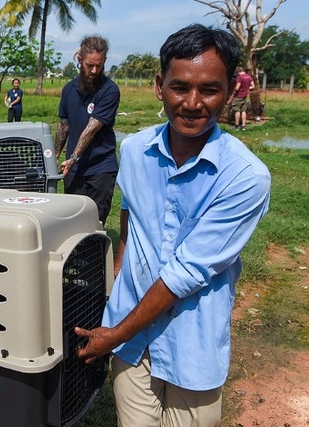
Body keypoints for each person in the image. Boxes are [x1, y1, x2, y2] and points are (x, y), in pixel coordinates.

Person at [74, 24, 271, 426]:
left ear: (232, 90)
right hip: (131, 344)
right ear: (159, 86)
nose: (193, 103)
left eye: (210, 90)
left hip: (190, 346)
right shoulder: (134, 150)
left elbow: (188, 272)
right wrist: (120, 275)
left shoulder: (245, 177)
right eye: (180, 87)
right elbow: (129, 214)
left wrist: (116, 332)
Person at [54, 35, 120, 226]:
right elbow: (63, 125)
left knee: (94, 223)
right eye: (89, 65)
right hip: (73, 170)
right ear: (79, 59)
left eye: (99, 66)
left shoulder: (109, 90)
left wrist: (74, 157)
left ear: (104, 62)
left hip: (100, 168)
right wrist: (55, 155)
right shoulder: (68, 89)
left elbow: (91, 129)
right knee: (73, 222)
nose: (94, 70)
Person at [233, 66, 255, 130]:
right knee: (243, 111)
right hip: (244, 96)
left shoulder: (240, 77)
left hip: (238, 96)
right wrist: (247, 88)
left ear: (238, 71)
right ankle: (243, 126)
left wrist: (232, 88)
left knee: (237, 111)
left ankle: (236, 126)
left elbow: (237, 88)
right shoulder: (249, 76)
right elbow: (253, 86)